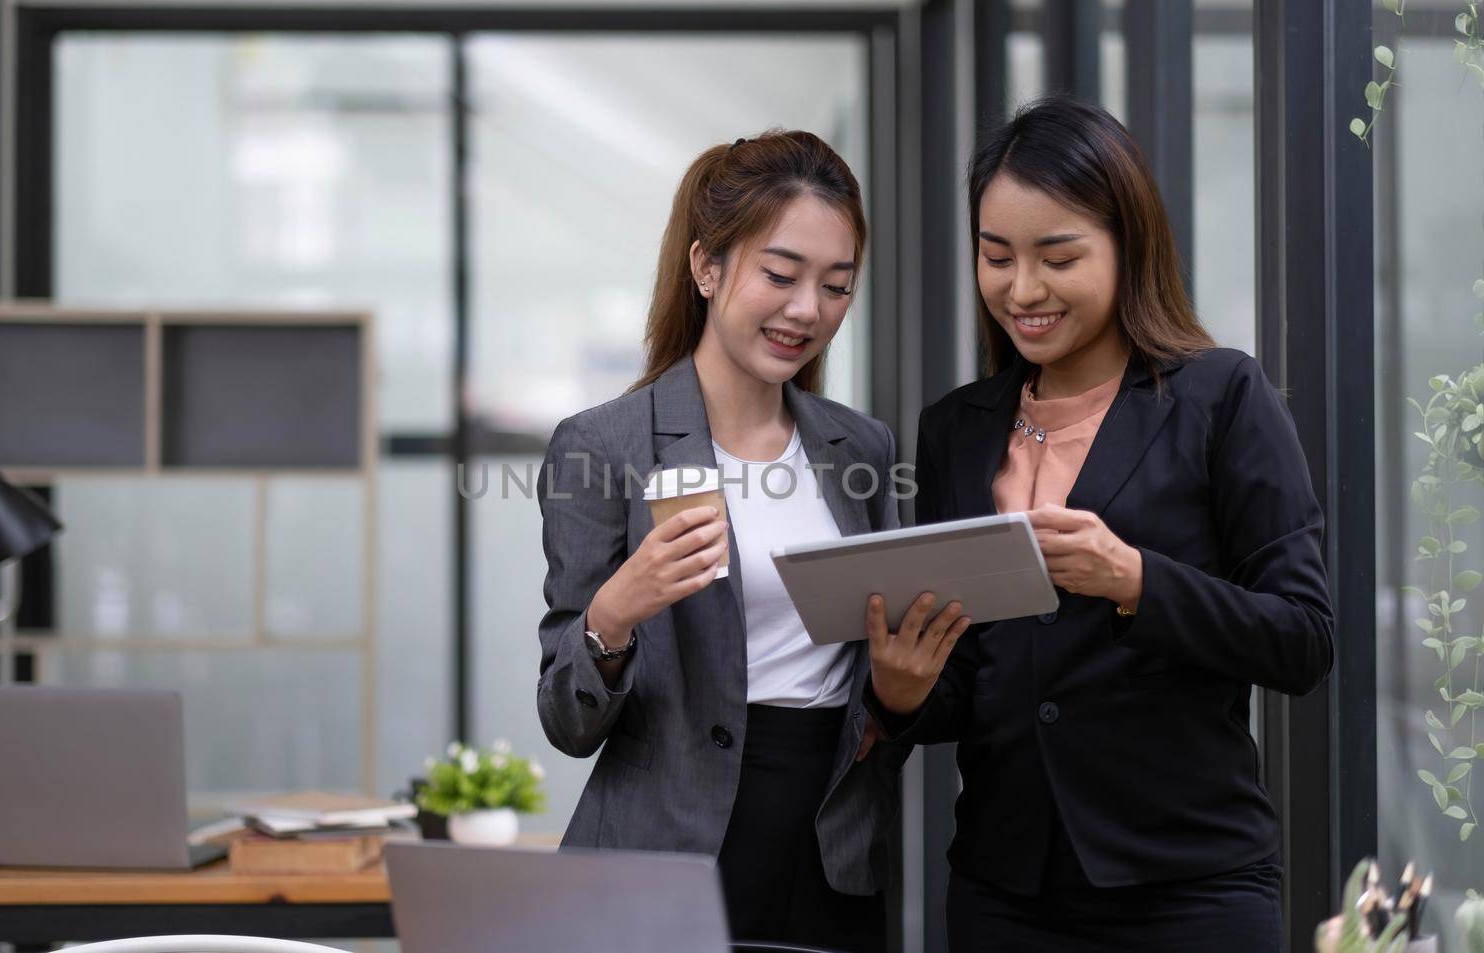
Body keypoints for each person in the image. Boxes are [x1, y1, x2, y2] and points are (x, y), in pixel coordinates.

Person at [865, 96, 1334, 951]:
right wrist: (901, 693)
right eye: (995, 255)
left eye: (1058, 256)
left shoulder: (1221, 397)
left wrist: (1135, 579)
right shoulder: (956, 429)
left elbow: (1303, 637)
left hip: (1189, 887)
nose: (1023, 289)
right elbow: (974, 679)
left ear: (1128, 244)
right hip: (1005, 890)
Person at [536, 130, 954, 953]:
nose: (809, 309)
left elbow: (881, 678)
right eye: (780, 274)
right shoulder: (605, 445)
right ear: (706, 267)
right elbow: (566, 718)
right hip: (664, 853)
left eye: (837, 285)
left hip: (830, 849)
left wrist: (896, 698)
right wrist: (615, 613)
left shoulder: (860, 447)